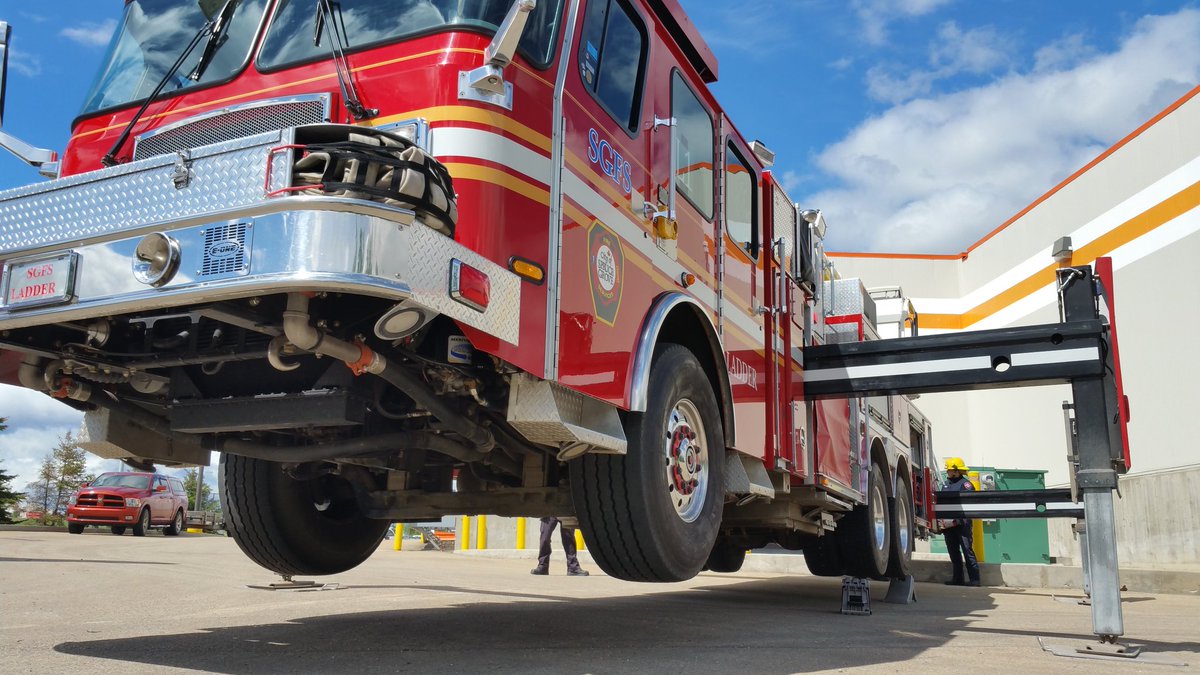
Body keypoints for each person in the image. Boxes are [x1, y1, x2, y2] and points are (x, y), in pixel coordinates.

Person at [941, 457, 981, 587]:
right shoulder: (946, 485)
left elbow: (970, 505)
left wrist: (958, 520)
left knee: (967, 551)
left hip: (962, 525)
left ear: (956, 471)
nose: (948, 473)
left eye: (950, 470)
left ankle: (975, 579)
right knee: (954, 554)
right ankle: (957, 579)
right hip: (948, 526)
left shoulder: (966, 485)